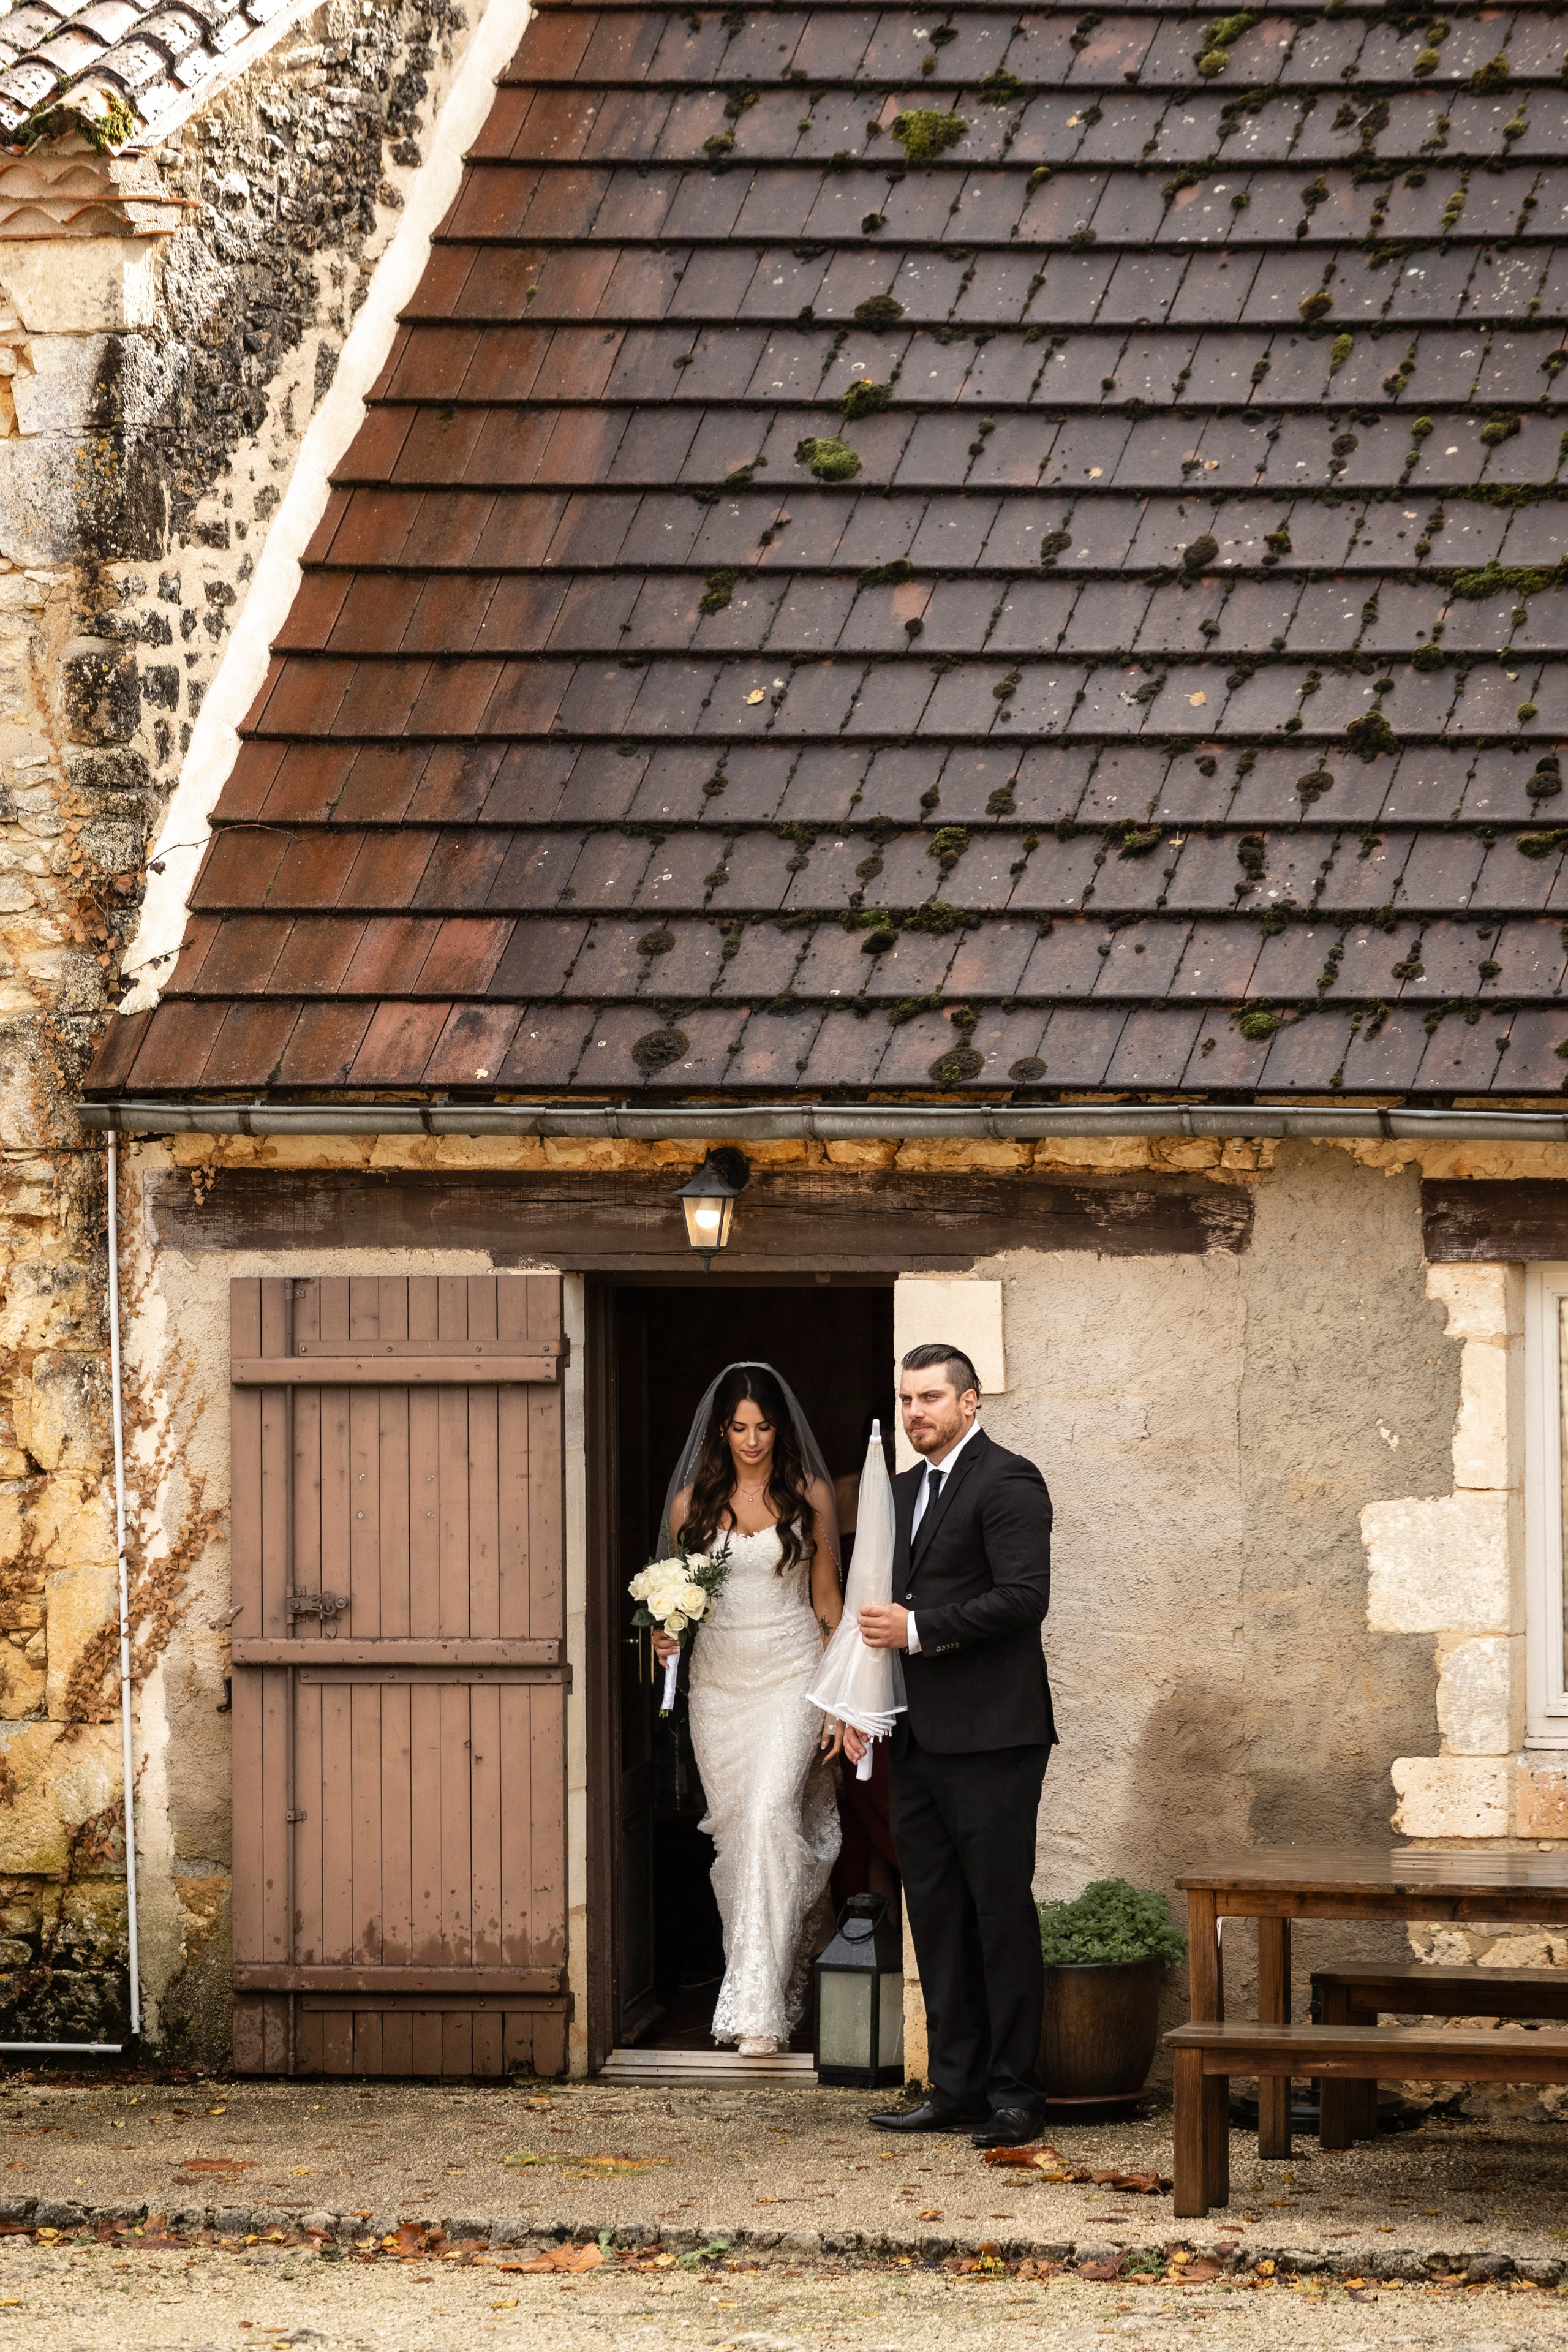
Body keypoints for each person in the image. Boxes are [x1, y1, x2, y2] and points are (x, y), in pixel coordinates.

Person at [848, 1343, 1055, 2148]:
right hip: (919, 1739)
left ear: (971, 1404)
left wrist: (921, 1629)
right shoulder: (898, 1493)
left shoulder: (1008, 1480)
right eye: (906, 1400)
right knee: (934, 1916)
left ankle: (1015, 2096)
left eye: (930, 1398)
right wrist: (857, 1703)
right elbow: (876, 1611)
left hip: (996, 1739)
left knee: (998, 1915)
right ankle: (957, 2086)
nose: (915, 1414)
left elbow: (1023, 1599)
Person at [654, 1363, 845, 2056]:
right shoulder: (689, 1506)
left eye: (763, 1426)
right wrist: (664, 1633)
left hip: (792, 1673)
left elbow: (828, 1604)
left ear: (779, 1427)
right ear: (721, 1431)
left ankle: (757, 2008)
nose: (752, 1440)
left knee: (769, 1816)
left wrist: (838, 1700)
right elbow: (672, 1601)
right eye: (739, 1427)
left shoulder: (810, 1494)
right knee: (736, 1835)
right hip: (719, 1687)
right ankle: (772, 1977)